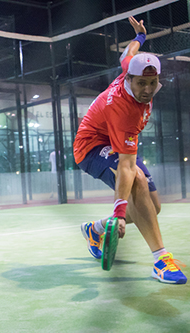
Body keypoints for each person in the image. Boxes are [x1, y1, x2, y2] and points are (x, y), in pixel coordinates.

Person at [74, 16, 186, 284]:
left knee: (152, 207)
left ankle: (96, 229)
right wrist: (120, 212)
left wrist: (140, 37)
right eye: (141, 84)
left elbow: (128, 54)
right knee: (135, 181)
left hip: (113, 142)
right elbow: (126, 166)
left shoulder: (131, 67)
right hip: (91, 147)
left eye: (153, 82)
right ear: (130, 79)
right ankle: (161, 260)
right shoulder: (125, 110)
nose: (147, 90)